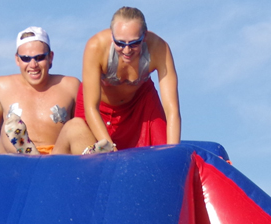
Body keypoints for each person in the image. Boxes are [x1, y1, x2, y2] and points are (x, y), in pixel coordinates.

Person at [54, 6, 180, 155]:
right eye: (120, 43)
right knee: (92, 153)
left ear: (144, 36)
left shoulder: (159, 48)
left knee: (165, 152)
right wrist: (111, 151)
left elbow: (172, 109)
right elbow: (91, 107)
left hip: (139, 103)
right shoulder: (96, 47)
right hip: (98, 108)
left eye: (134, 43)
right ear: (112, 35)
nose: (127, 50)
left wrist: (174, 153)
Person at [0, 27, 80, 156]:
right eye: (26, 58)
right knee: (8, 127)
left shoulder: (70, 86)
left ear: (50, 57)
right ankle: (27, 152)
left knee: (76, 126)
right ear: (17, 59)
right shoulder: (2, 87)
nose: (33, 64)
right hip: (15, 161)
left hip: (55, 160)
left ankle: (32, 154)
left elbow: (82, 130)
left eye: (39, 57)